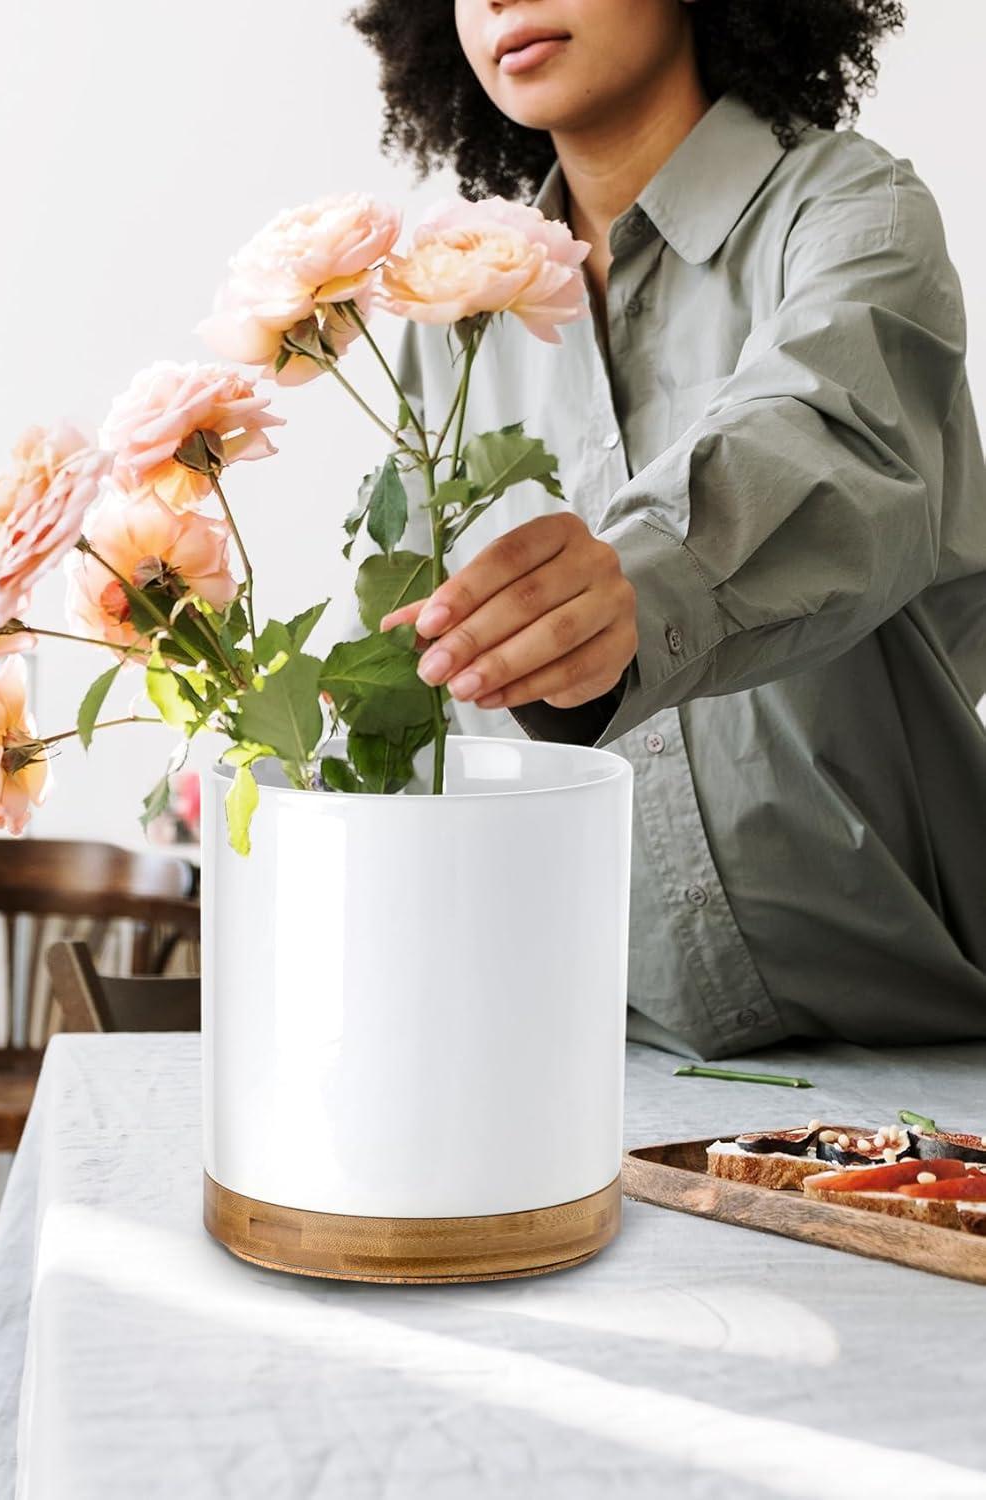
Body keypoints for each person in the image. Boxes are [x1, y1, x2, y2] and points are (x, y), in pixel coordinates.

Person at [349, 0, 986, 1058]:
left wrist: (633, 589)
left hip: (922, 1069)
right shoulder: (447, 324)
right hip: (585, 1064)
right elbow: (405, 692)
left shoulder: (854, 214)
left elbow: (828, 433)